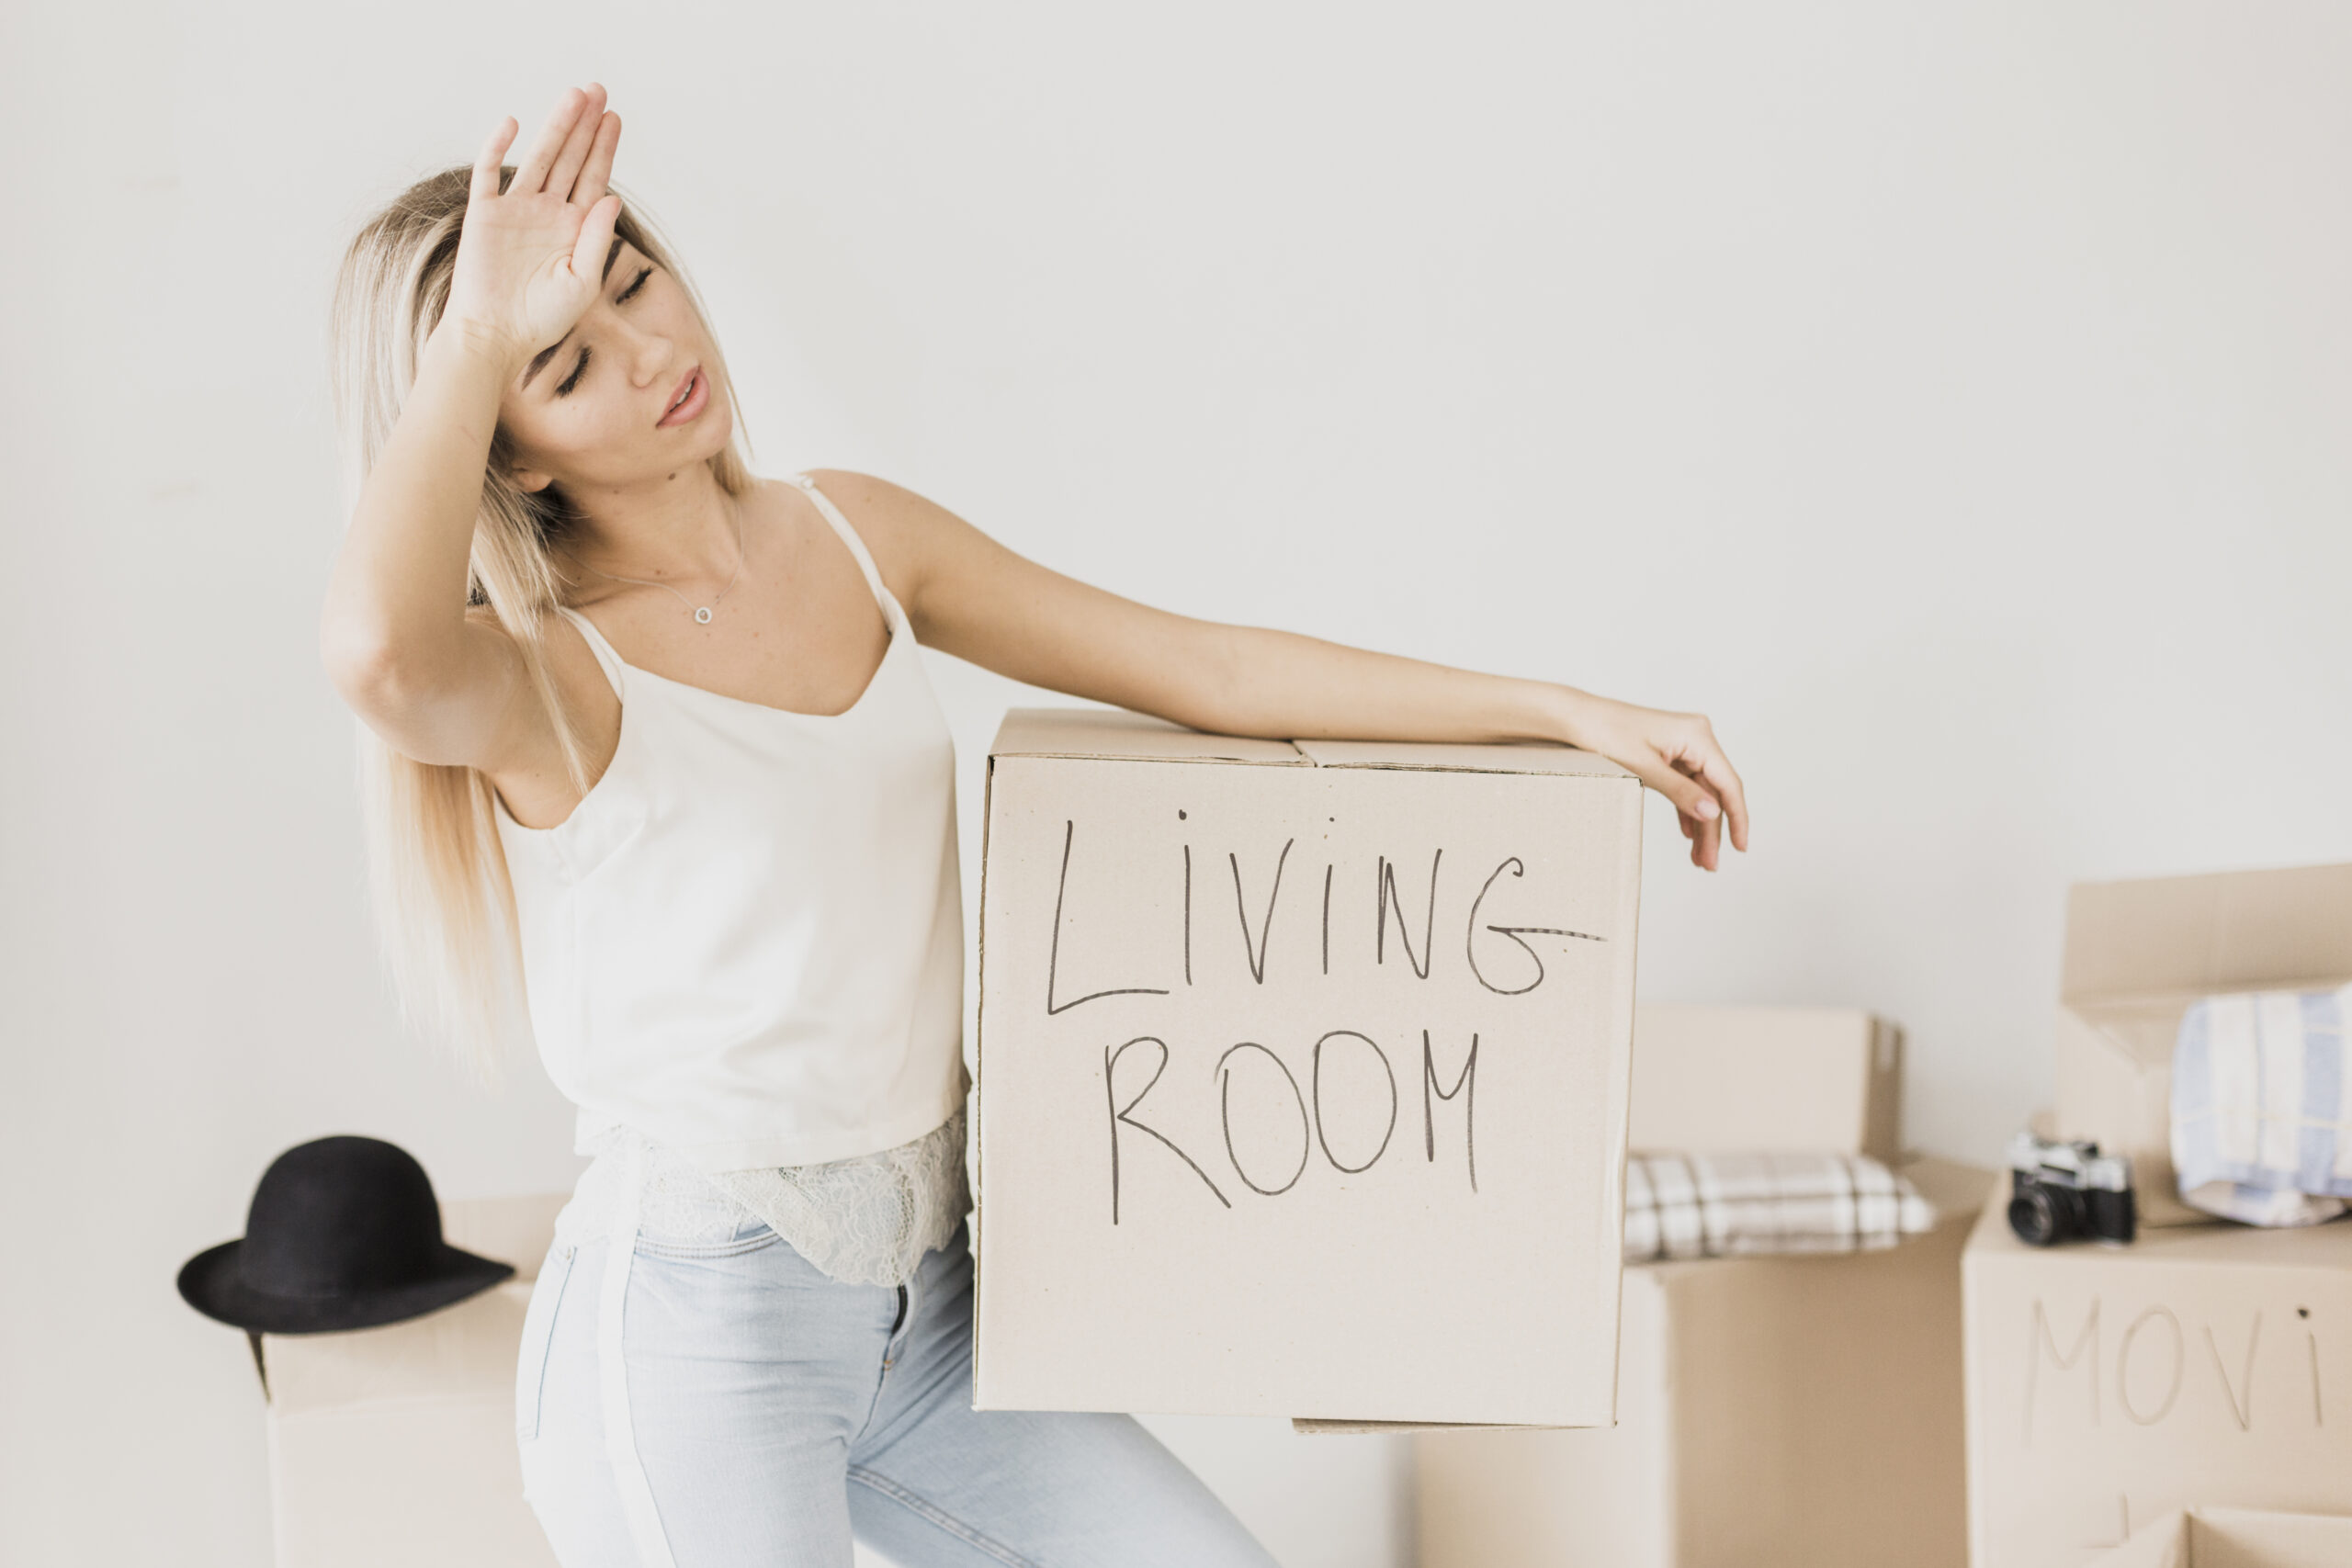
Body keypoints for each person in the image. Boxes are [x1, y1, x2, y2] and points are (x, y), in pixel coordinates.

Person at [319, 82, 1749, 1568]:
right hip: (695, 1337)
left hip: (933, 1308)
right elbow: (375, 658)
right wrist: (473, 337)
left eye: (634, 282)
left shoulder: (856, 537)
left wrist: (1559, 713)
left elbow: (1210, 672)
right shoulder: (543, 675)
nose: (650, 353)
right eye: (567, 365)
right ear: (514, 452)